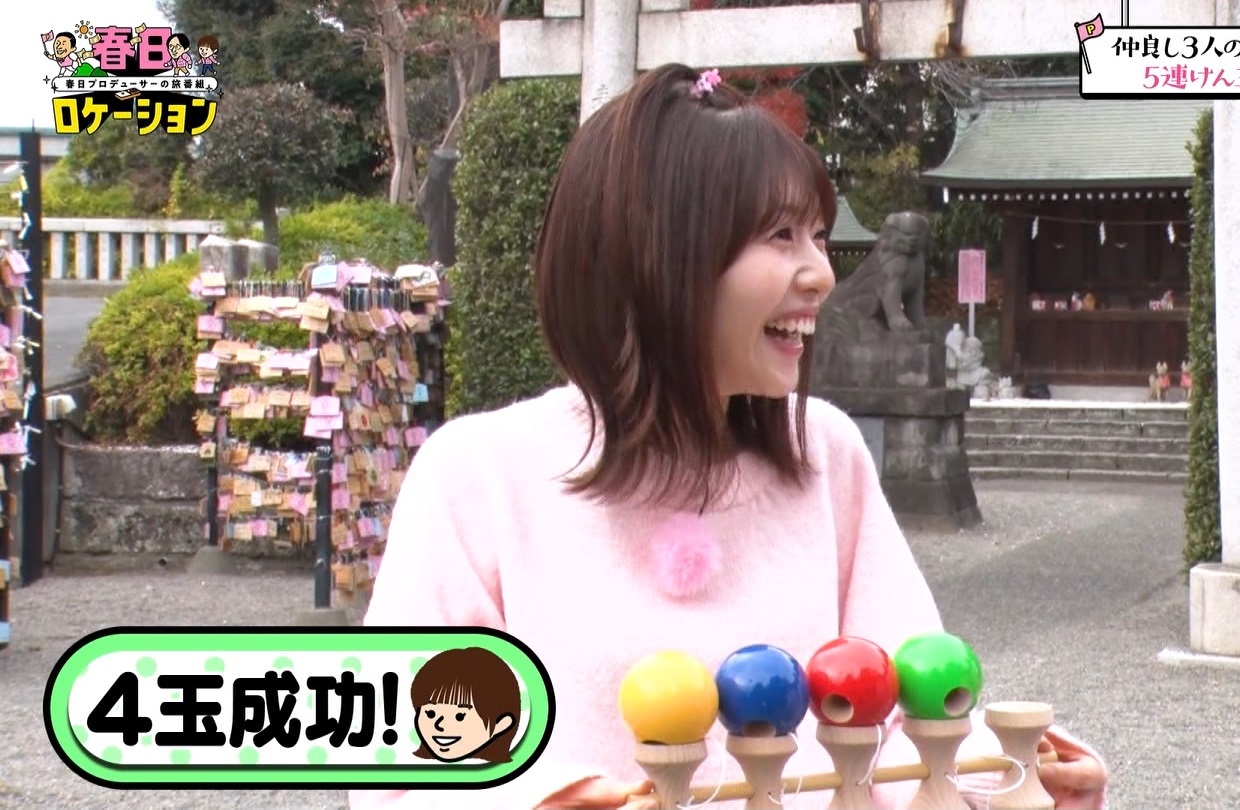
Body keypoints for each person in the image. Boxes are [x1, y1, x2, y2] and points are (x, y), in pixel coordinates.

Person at [350, 63, 1108, 810]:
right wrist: (553, 799)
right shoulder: (479, 477)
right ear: (657, 254)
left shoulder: (827, 455)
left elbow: (909, 712)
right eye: (780, 235)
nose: (820, 274)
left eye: (816, 235)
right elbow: (405, 769)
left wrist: (999, 777)